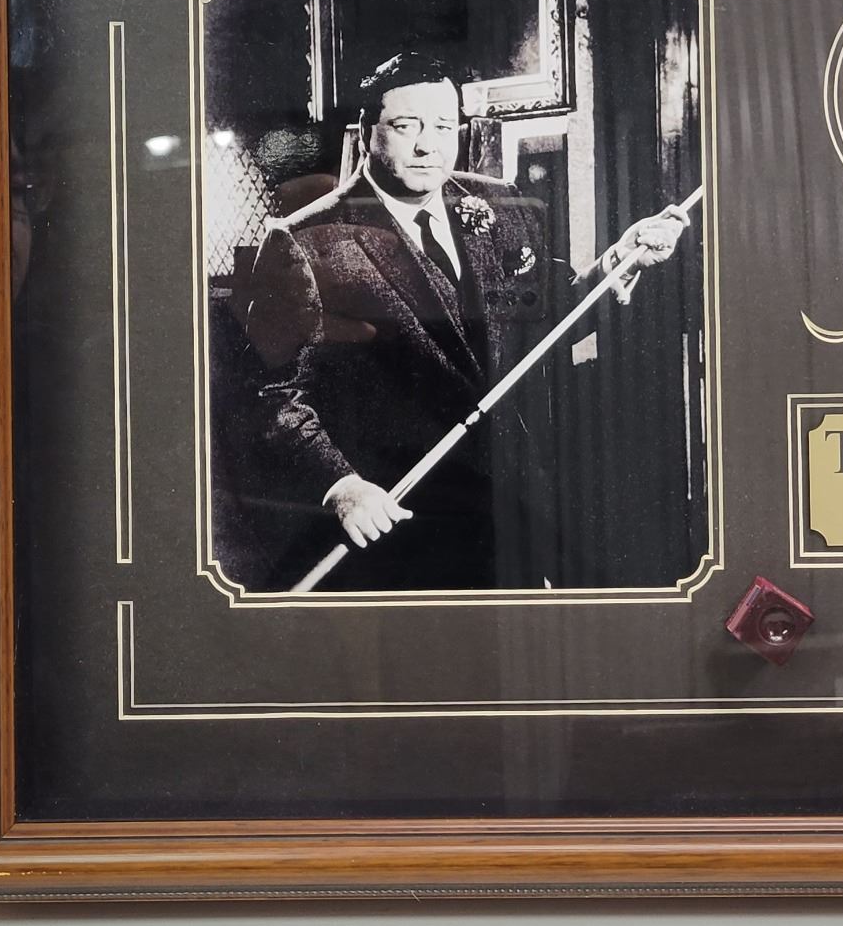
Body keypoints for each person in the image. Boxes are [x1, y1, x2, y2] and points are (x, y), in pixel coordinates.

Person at [241, 51, 687, 592]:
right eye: (406, 126)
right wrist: (342, 487)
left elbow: (552, 315)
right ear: (367, 130)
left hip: (520, 506)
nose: (428, 145)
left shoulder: (499, 202)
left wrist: (621, 259)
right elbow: (274, 399)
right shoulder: (303, 240)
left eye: (443, 126)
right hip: (401, 520)